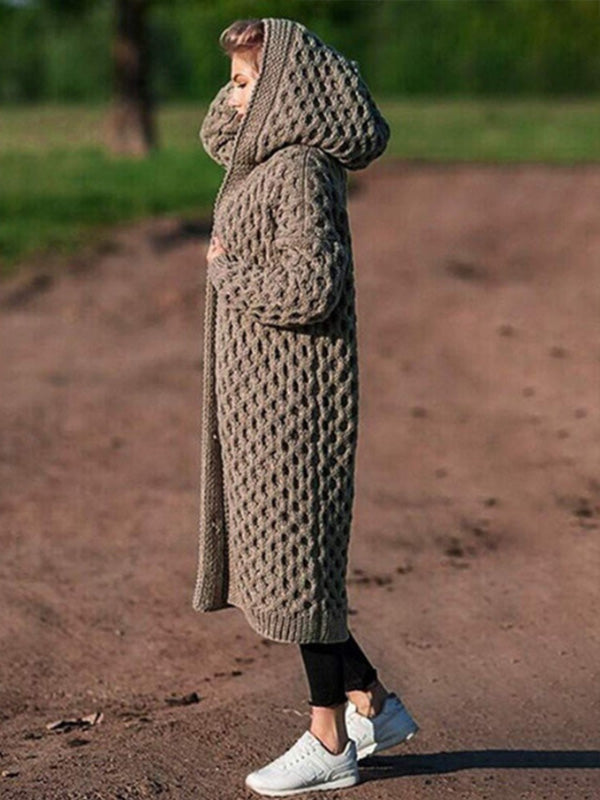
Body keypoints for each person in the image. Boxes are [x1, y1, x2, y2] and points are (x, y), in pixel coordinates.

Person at [192, 17, 419, 796]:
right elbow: (221, 138)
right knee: (289, 571)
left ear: (286, 91)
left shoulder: (297, 170)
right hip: (264, 399)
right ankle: (374, 706)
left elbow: (311, 286)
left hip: (296, 406)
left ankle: (329, 740)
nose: (234, 93)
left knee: (296, 575)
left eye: (250, 80)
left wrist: (228, 274)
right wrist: (238, 80)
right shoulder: (265, 157)